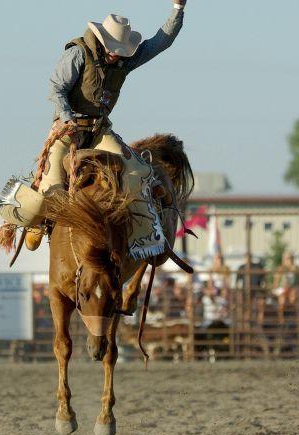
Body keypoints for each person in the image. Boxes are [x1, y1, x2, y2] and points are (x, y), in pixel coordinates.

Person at [21, 0, 188, 250]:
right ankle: (35, 222)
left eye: (120, 49)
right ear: (101, 40)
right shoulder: (77, 54)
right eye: (112, 48)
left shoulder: (125, 60)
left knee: (136, 171)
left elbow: (161, 41)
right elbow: (56, 88)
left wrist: (178, 8)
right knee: (52, 183)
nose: (115, 53)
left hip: (99, 130)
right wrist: (67, 119)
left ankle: (141, 234)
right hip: (68, 130)